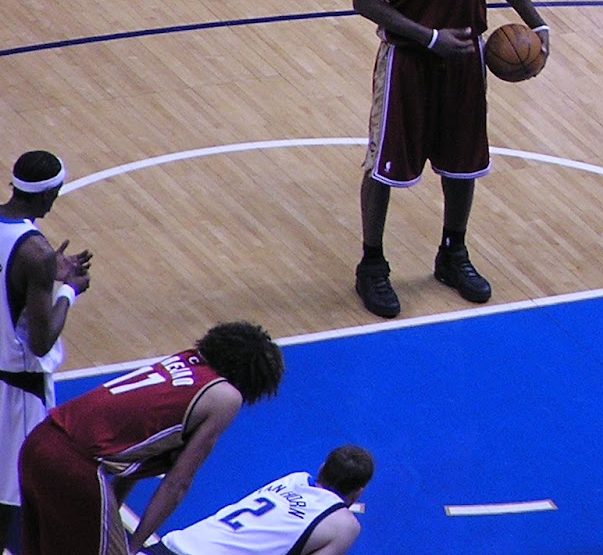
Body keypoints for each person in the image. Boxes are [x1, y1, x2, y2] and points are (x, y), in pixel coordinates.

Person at [352, 0, 549, 318]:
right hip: (409, 62)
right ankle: (372, 265)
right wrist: (429, 36)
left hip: (465, 60)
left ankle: (452, 253)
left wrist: (536, 21)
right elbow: (363, 0)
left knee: (464, 163)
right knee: (385, 166)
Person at [18, 320, 284, 555]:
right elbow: (177, 482)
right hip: (74, 464)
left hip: (39, 440)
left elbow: (134, 458)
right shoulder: (226, 397)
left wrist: (110, 511)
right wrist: (134, 546)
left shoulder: (183, 360)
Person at [0, 151, 91, 548]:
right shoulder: (35, 253)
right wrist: (68, 290)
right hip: (17, 392)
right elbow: (41, 340)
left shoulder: (32, 255)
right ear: (51, 194)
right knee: (15, 500)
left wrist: (43, 278)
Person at [143, 445, 374, 555]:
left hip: (169, 547)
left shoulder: (294, 479)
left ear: (322, 468)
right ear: (359, 492)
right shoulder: (345, 525)